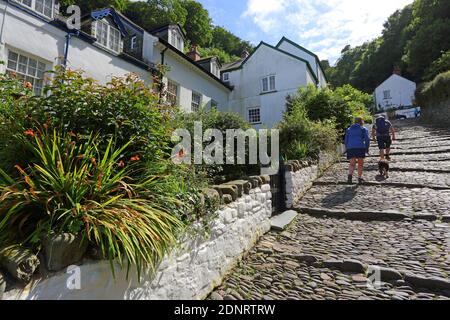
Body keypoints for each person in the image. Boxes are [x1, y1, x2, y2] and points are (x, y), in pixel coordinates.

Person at [345, 117, 371, 184]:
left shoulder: (349, 129)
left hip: (350, 148)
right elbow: (367, 139)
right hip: (360, 147)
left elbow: (346, 140)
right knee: (360, 164)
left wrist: (347, 148)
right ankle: (359, 178)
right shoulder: (363, 129)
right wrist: (367, 148)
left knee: (352, 164)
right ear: (362, 121)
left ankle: (350, 176)